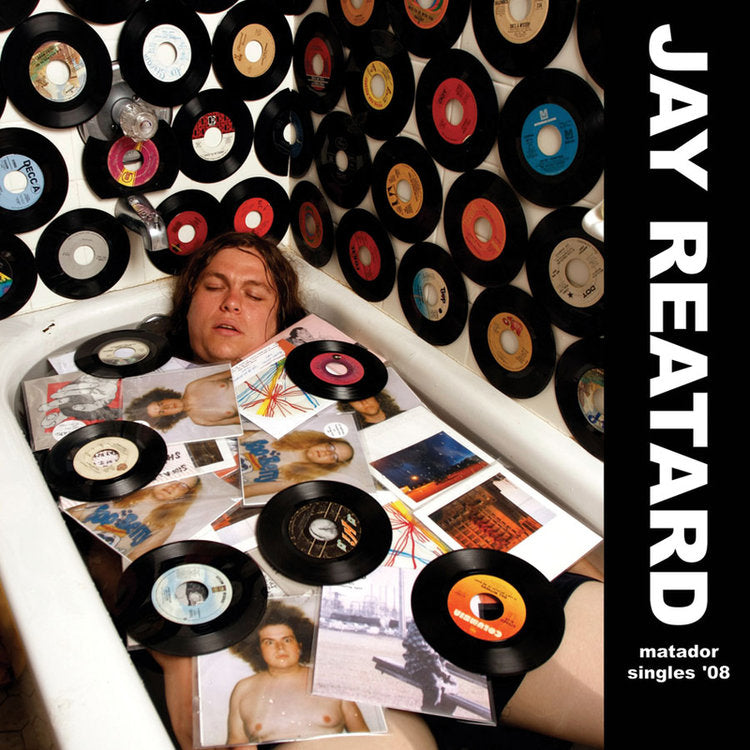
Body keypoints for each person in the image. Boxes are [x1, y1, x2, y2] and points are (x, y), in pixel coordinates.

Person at [152, 231, 603, 750]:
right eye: (214, 287)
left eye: (255, 294)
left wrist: (564, 560)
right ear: (187, 302)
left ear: (280, 320)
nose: (232, 301)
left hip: (455, 586)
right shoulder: (142, 412)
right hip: (311, 640)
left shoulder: (336, 370)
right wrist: (180, 662)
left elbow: (458, 472)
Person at [226, 602, 370, 745]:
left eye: (287, 640)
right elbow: (238, 744)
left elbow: (365, 740)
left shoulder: (329, 680)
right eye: (269, 642)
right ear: (258, 650)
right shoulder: (243, 689)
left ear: (299, 645)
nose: (280, 648)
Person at [240, 428, 355, 498]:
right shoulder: (281, 436)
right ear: (323, 441)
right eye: (331, 447)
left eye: (334, 457)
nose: (327, 453)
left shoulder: (294, 479)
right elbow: (236, 436)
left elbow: (248, 491)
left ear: (330, 464)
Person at [125, 369, 239, 429]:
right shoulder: (200, 420)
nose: (167, 407)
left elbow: (231, 371)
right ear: (167, 417)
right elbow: (237, 421)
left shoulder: (193, 386)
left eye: (161, 404)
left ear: (164, 397)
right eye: (162, 412)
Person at [337, 391, 403, 429]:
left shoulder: (404, 416)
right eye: (355, 400)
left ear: (377, 397)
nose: (364, 402)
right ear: (350, 407)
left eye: (365, 395)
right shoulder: (361, 435)